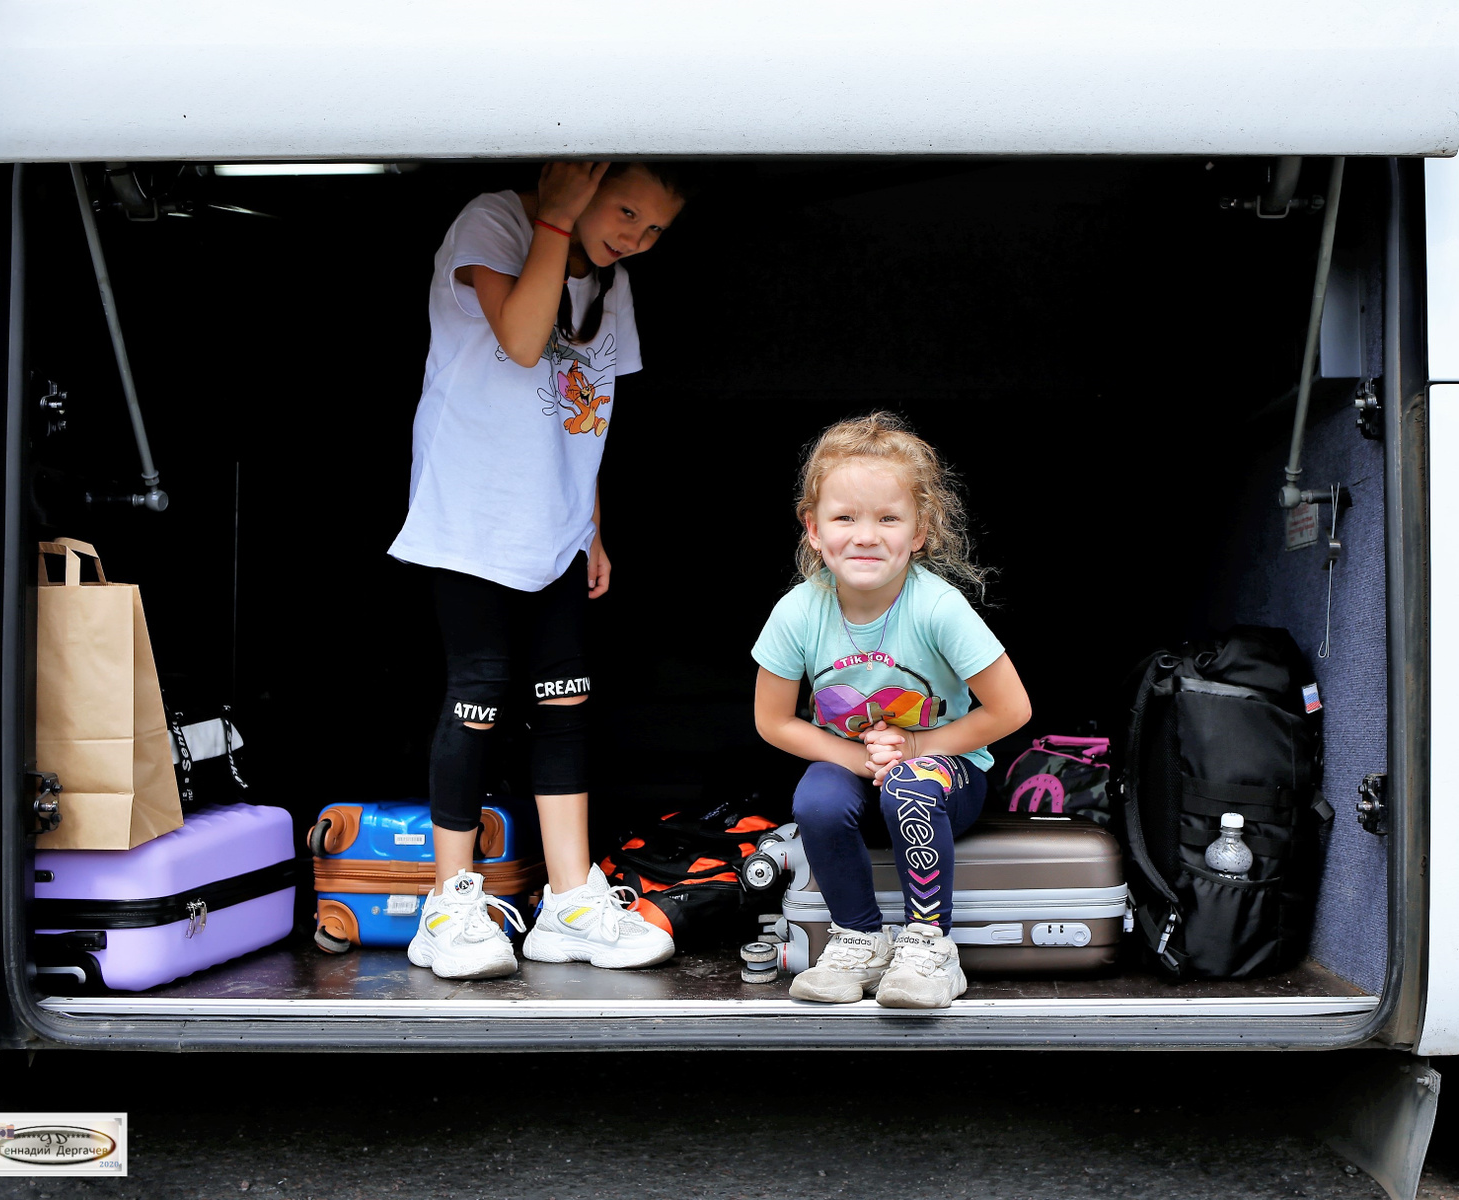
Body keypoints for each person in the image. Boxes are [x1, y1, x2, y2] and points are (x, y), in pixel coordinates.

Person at [388, 161, 689, 980]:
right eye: (625, 211)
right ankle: (449, 904)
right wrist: (554, 218)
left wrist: (593, 527)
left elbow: (587, 412)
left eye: (655, 229)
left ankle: (569, 903)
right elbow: (523, 343)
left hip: (556, 526)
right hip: (472, 515)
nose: (636, 238)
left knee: (565, 702)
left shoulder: (612, 278)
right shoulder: (496, 221)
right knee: (478, 696)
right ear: (578, 177)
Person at [751, 413, 1033, 1008]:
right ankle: (859, 940)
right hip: (857, 770)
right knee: (815, 799)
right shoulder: (798, 612)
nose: (865, 536)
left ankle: (929, 949)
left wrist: (915, 748)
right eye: (844, 518)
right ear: (813, 529)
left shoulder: (938, 608)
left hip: (946, 777)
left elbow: (1012, 709)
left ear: (920, 530)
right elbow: (772, 721)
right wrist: (859, 759)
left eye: (888, 518)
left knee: (910, 783)